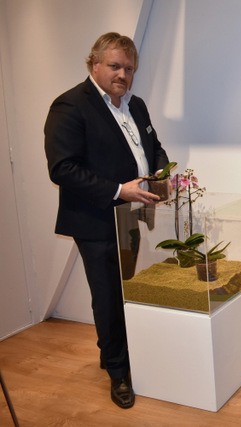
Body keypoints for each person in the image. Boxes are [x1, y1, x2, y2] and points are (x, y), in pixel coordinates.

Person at [44, 32, 170, 408]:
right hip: (95, 220)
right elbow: (62, 168)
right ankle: (118, 374)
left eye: (129, 69)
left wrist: (161, 172)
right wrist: (118, 190)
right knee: (109, 298)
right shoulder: (70, 105)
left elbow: (154, 147)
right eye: (115, 66)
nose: (122, 75)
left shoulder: (137, 105)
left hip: (132, 219)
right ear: (94, 64)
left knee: (127, 292)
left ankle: (123, 355)